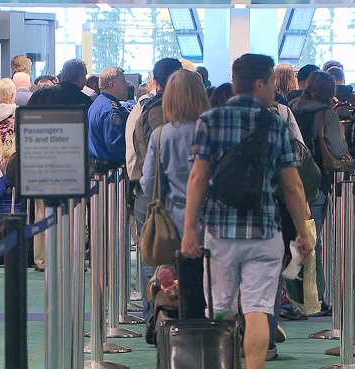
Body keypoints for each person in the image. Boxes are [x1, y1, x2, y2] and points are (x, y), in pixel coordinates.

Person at [182, 54, 313, 369]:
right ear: (259, 83)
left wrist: (189, 230)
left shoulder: (210, 120)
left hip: (219, 232)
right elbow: (292, 186)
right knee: (257, 310)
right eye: (271, 82)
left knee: (220, 310)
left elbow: (198, 178)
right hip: (264, 231)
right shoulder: (276, 123)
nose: (273, 89)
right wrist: (303, 231)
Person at [139, 69, 209, 321]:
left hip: (173, 223)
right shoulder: (211, 130)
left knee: (181, 285)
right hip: (212, 221)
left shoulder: (161, 135)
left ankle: (179, 334)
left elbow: (149, 184)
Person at [126, 58, 183, 332]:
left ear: (156, 81)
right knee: (159, 258)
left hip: (151, 194)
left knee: (154, 256)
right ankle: (158, 316)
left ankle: (157, 317)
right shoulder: (168, 113)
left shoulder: (144, 109)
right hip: (163, 197)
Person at [289, 71, 351, 317]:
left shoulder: (291, 108)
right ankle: (310, 299)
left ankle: (289, 296)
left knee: (292, 237)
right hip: (316, 183)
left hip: (289, 179)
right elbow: (336, 147)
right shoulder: (327, 114)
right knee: (310, 240)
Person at [28, 59, 93, 273]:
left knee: (42, 212)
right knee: (74, 213)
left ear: (62, 74)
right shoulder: (86, 101)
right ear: (81, 78)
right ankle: (71, 258)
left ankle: (42, 259)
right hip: (73, 164)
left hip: (40, 161)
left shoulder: (40, 95)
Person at [87, 67, 129, 172]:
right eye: (123, 81)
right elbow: (115, 145)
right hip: (109, 170)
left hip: (95, 165)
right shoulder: (111, 110)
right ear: (112, 85)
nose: (126, 85)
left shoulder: (97, 103)